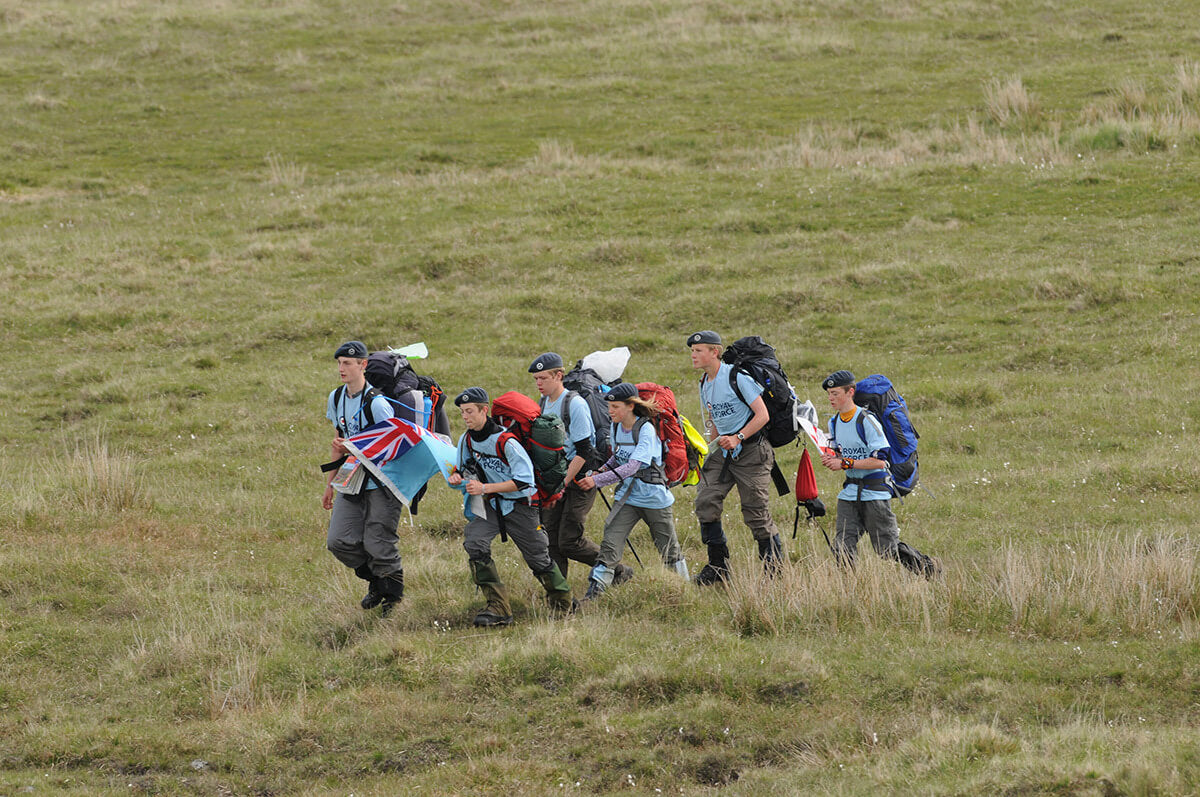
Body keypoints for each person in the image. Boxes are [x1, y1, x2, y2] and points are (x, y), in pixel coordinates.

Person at [447, 387, 576, 627]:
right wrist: (458, 477)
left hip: (521, 505)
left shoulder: (507, 441)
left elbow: (524, 481)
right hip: (491, 505)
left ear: (484, 410)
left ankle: (563, 604)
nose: (465, 417)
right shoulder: (466, 439)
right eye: (462, 412)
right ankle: (498, 608)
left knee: (538, 558)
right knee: (475, 543)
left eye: (470, 411)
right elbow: (464, 467)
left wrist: (485, 488)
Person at [576, 383, 689, 600]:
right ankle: (595, 593)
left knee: (668, 547)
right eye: (609, 406)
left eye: (615, 407)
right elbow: (617, 458)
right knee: (610, 539)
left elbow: (633, 466)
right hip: (628, 496)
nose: (610, 411)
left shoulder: (646, 429)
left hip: (654, 498)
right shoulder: (616, 426)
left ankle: (683, 590)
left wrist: (597, 481)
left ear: (631, 406)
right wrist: (598, 472)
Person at [688, 331, 784, 584]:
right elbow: (715, 421)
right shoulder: (704, 382)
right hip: (724, 451)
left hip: (752, 451)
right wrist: (708, 446)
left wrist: (739, 437)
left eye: (698, 351)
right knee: (705, 502)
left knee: (756, 512)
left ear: (715, 352)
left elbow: (762, 415)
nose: (693, 355)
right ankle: (717, 569)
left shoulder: (736, 377)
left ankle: (774, 572)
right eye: (692, 351)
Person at [529, 352, 631, 585]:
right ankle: (558, 591)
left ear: (559, 376)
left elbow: (586, 451)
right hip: (555, 480)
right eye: (536, 379)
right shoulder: (543, 403)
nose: (538, 384)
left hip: (580, 479)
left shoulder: (574, 404)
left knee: (569, 541)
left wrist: (561, 484)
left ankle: (617, 570)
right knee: (550, 538)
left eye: (543, 378)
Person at [322, 340, 406, 615]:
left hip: (384, 480)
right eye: (339, 363)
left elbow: (393, 447)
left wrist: (356, 449)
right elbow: (338, 441)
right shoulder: (336, 398)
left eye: (347, 363)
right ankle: (376, 582)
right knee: (338, 541)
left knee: (377, 542)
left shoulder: (378, 405)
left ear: (363, 365)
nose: (341, 368)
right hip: (350, 478)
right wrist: (329, 484)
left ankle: (393, 599)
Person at [818, 370, 901, 568]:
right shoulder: (834, 422)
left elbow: (880, 462)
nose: (831, 398)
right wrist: (833, 459)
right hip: (849, 493)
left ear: (850, 392)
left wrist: (844, 463)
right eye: (829, 394)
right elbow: (841, 454)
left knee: (888, 550)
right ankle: (849, 590)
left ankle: (929, 569)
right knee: (842, 548)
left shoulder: (866, 420)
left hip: (874, 493)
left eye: (835, 393)